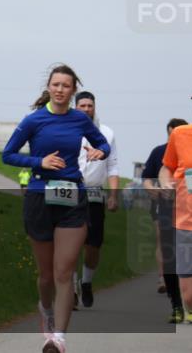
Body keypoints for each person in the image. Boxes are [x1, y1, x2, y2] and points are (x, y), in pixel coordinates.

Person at [1, 64, 109, 353]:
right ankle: (46, 309)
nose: (60, 90)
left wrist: (99, 151)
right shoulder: (33, 120)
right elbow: (8, 155)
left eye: (66, 85)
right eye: (56, 84)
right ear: (49, 87)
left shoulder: (80, 119)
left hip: (72, 198)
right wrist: (40, 162)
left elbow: (102, 145)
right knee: (47, 275)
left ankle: (58, 338)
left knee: (64, 272)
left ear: (73, 91)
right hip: (39, 197)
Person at [70, 91, 119, 309]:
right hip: (70, 191)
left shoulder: (106, 133)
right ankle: (71, 289)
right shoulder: (67, 130)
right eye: (82, 105)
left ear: (95, 107)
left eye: (90, 106)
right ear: (76, 107)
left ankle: (86, 282)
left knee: (93, 245)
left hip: (94, 193)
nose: (86, 109)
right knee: (70, 243)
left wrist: (114, 195)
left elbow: (113, 166)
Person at [143, 118, 189, 323]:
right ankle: (176, 303)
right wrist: (155, 188)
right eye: (172, 134)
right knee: (168, 250)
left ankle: (189, 300)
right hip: (167, 207)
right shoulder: (161, 151)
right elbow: (151, 175)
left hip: (190, 210)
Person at [158, 92, 192, 326]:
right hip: (187, 221)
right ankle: (190, 309)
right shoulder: (181, 134)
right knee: (189, 297)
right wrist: (165, 182)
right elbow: (166, 168)